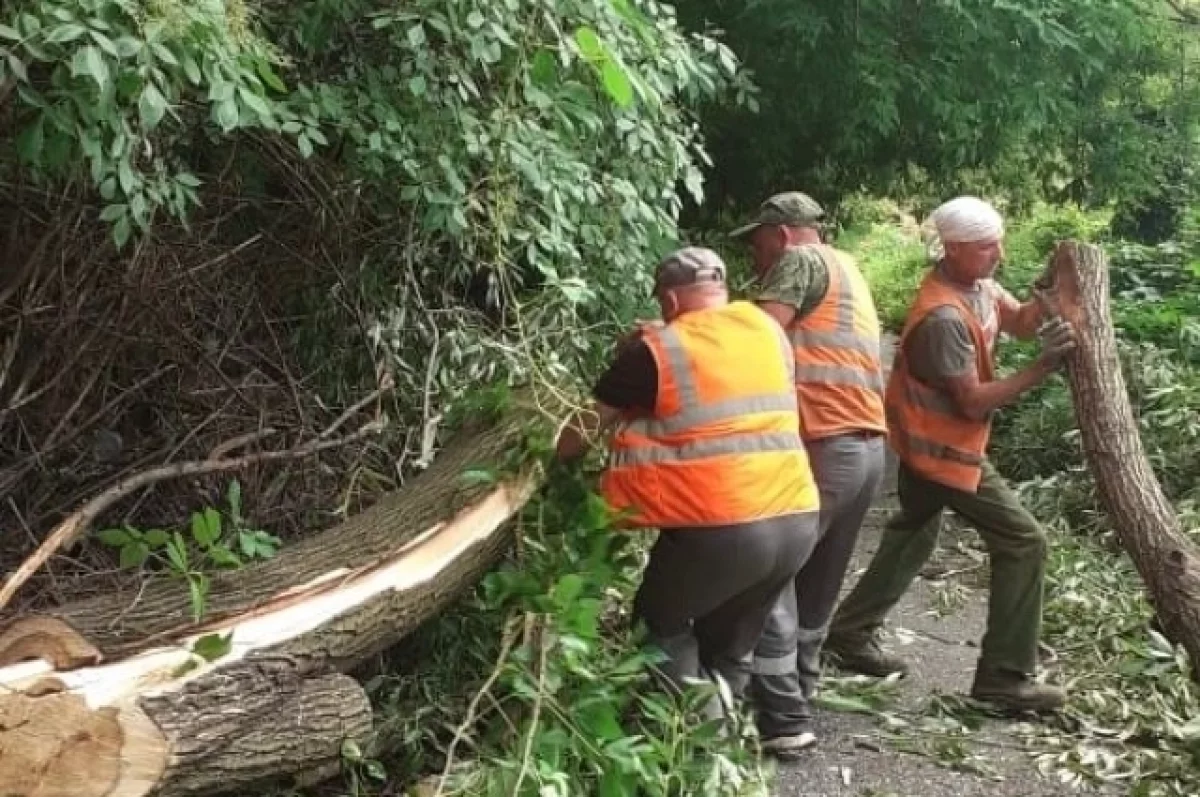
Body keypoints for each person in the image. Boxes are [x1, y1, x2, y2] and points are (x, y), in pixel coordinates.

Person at [823, 195, 1077, 712]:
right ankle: (1004, 679)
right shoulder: (941, 317)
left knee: (913, 533)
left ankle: (848, 634)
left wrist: (1055, 297)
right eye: (987, 247)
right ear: (954, 249)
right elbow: (971, 401)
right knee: (1025, 541)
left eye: (1000, 242)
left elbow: (1020, 322)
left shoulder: (978, 287)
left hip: (931, 444)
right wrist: (1042, 368)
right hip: (943, 452)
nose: (998, 254)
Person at [555, 246, 821, 722]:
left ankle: (705, 739)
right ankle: (727, 749)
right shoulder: (768, 330)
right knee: (729, 644)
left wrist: (545, 461)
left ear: (671, 302)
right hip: (797, 516)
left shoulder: (657, 351)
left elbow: (576, 435)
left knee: (659, 626)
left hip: (725, 529)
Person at [729, 192, 888, 753]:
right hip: (866, 445)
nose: (755, 253)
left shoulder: (799, 262)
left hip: (823, 442)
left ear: (783, 232)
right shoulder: (848, 267)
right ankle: (804, 683)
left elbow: (761, 341)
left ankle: (782, 716)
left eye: (757, 240)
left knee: (768, 569)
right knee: (819, 577)